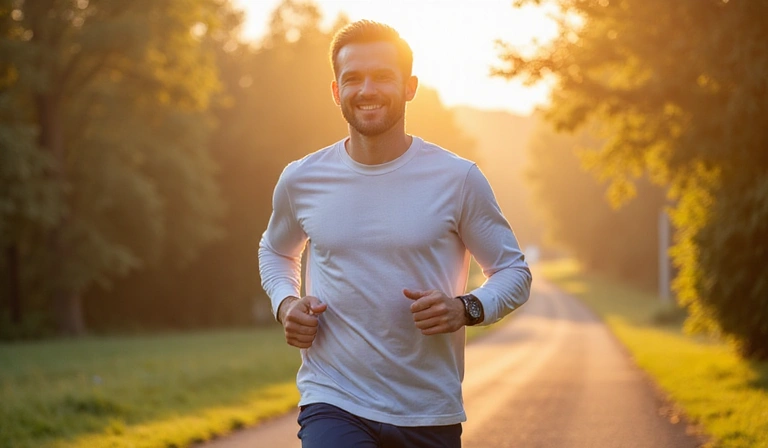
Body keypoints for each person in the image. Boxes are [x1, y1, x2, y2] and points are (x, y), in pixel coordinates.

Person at [258, 19, 532, 448]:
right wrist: (285, 302)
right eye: (353, 79)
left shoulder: (457, 179)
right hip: (333, 399)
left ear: (410, 86)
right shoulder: (302, 179)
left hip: (427, 409)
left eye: (383, 76)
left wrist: (467, 308)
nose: (367, 90)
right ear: (336, 92)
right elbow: (276, 250)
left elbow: (514, 272)